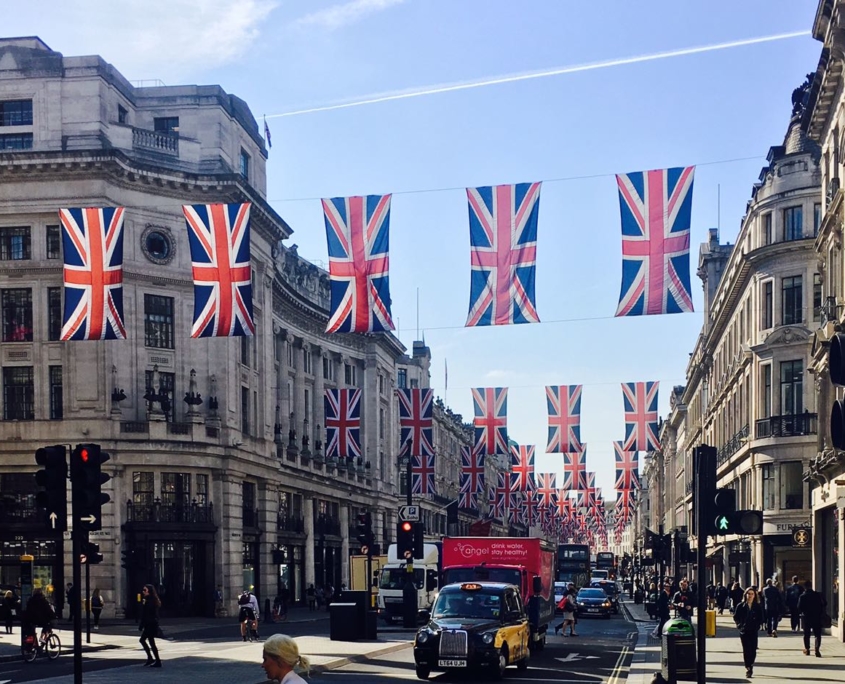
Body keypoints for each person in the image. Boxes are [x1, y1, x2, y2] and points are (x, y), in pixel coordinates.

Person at [734, 586, 764, 678]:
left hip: (753, 630)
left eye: (752, 594)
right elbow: (736, 617)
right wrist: (739, 625)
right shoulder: (741, 606)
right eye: (748, 594)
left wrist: (758, 625)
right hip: (744, 630)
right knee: (746, 649)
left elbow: (761, 617)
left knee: (753, 649)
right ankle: (748, 667)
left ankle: (751, 663)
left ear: (754, 596)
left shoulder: (757, 606)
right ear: (745, 595)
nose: (750, 596)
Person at [797, 579, 826, 657]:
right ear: (811, 586)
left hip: (806, 617)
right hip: (816, 616)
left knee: (806, 634)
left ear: (805, 587)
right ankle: (817, 649)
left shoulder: (802, 596)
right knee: (817, 634)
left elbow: (799, 607)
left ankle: (807, 649)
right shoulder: (817, 595)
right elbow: (824, 604)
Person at [139, 584, 162, 668]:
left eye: (145, 590)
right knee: (148, 641)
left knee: (146, 641)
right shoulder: (148, 599)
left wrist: (142, 624)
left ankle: (154, 659)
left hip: (150, 624)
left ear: (149, 591)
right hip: (149, 624)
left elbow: (147, 614)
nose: (143, 592)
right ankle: (153, 659)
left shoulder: (151, 601)